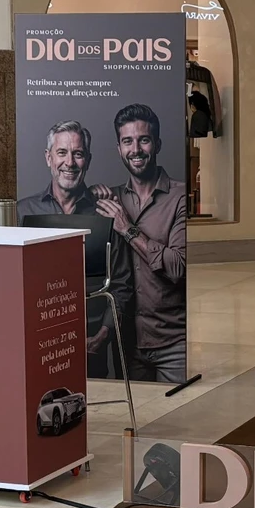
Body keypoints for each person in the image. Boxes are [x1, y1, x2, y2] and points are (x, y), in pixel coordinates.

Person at [17, 120, 133, 378]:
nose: (69, 162)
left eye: (78, 154)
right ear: (48, 157)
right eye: (62, 152)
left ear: (87, 160)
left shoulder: (105, 213)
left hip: (91, 342)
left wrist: (104, 333)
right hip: (36, 340)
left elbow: (122, 283)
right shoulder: (23, 212)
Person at [93, 104, 187, 383]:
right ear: (119, 148)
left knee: (176, 410)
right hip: (127, 343)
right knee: (137, 411)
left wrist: (127, 229)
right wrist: (88, 194)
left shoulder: (180, 198)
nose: (136, 149)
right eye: (127, 141)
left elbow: (178, 267)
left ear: (157, 144)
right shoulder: (111, 199)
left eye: (143, 140)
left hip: (174, 342)